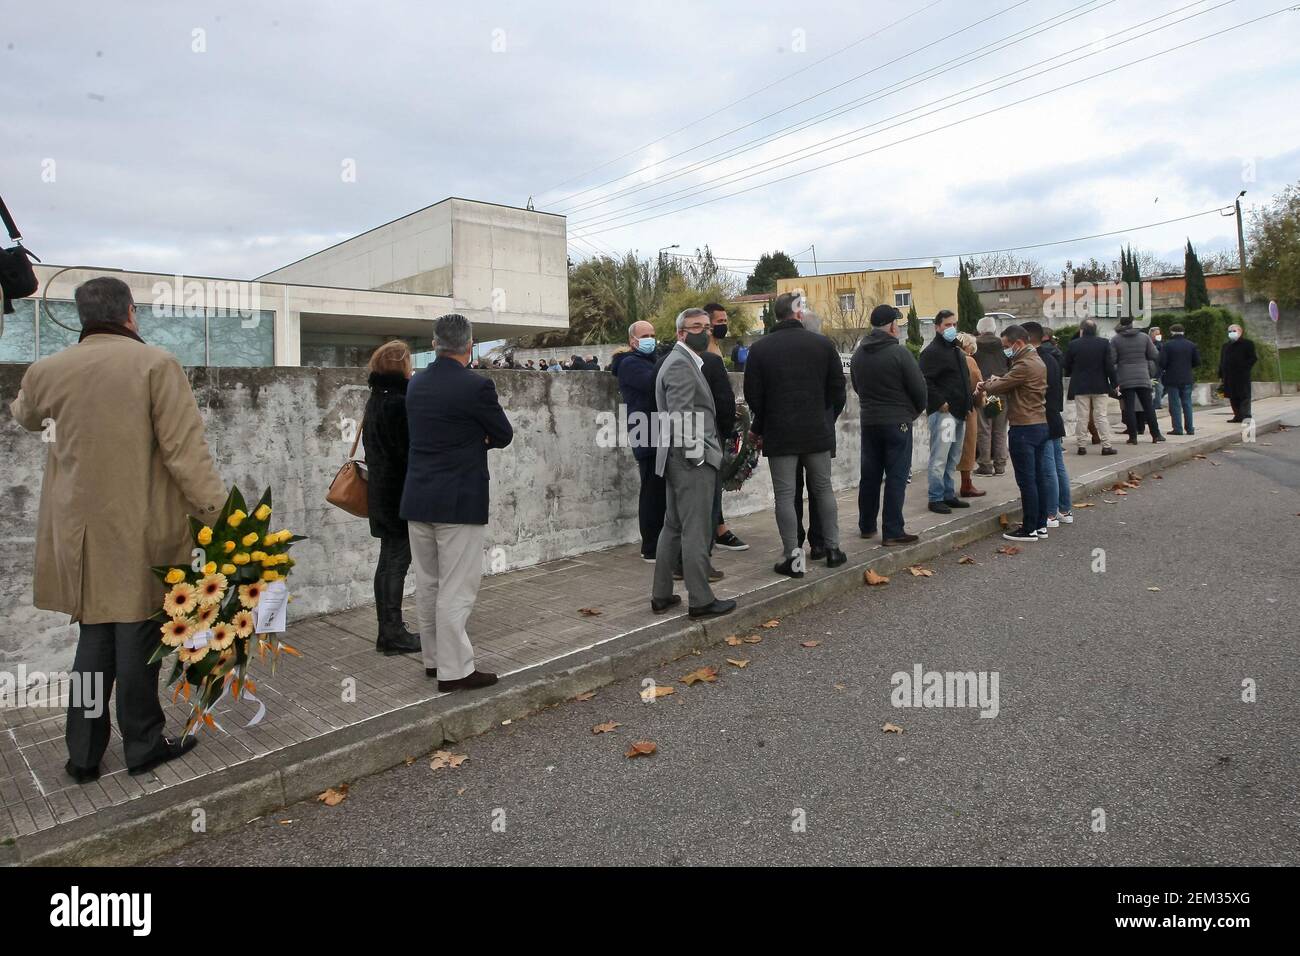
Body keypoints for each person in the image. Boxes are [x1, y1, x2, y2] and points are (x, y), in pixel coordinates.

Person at [10, 276, 225, 780]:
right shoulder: (155, 364)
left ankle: (83, 755)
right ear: (130, 313)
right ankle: (142, 746)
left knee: (93, 642)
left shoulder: (48, 369)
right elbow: (184, 454)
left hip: (78, 537)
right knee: (137, 644)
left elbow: (24, 416)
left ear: (82, 316)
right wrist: (223, 517)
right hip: (140, 531)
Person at [401, 313, 513, 692]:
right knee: (457, 587)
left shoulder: (415, 384)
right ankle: (456, 670)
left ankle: (434, 661)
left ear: (435, 343)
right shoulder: (476, 386)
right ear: (470, 344)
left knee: (429, 584)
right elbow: (503, 434)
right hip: (459, 498)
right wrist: (475, 440)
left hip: (418, 496)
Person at [743, 292, 847, 577]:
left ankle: (793, 558)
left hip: (781, 433)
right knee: (823, 489)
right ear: (798, 314)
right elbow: (838, 391)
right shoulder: (823, 345)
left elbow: (754, 396)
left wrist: (761, 426)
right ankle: (833, 550)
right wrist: (825, 417)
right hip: (817, 431)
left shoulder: (760, 349)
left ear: (775, 315)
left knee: (786, 496)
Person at [651, 309, 736, 619]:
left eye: (706, 326)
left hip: (678, 458)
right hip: (689, 460)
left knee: (673, 526)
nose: (704, 331)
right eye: (696, 326)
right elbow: (681, 415)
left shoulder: (686, 361)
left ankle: (661, 594)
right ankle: (701, 600)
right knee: (696, 530)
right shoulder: (680, 365)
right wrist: (696, 456)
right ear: (680, 333)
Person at [363, 341, 422, 656]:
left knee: (388, 562)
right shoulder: (400, 403)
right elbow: (408, 451)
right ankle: (392, 633)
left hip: (381, 493)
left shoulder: (375, 400)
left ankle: (389, 630)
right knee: (396, 562)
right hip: (399, 494)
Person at [851, 304, 927, 545]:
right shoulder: (900, 353)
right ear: (892, 326)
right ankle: (893, 530)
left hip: (869, 420)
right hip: (897, 422)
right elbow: (919, 390)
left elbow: (856, 385)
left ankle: (867, 525)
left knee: (870, 474)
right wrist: (911, 413)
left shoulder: (858, 354)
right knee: (896, 475)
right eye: (897, 323)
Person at [978, 324, 1052, 543]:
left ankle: (1029, 528)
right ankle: (1040, 524)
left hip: (1024, 427)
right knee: (1038, 478)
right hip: (1039, 424)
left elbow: (997, 387)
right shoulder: (1037, 360)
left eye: (1006, 346)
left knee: (1027, 480)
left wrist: (988, 382)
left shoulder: (1024, 364)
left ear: (1018, 343)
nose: (1005, 351)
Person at [612, 321, 667, 562]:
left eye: (653, 335)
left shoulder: (651, 361)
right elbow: (654, 384)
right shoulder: (630, 363)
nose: (651, 339)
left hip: (658, 430)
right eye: (645, 335)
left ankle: (661, 542)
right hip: (646, 431)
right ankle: (651, 547)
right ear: (633, 341)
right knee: (652, 491)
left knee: (661, 490)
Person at [918, 309, 974, 515]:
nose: (951, 328)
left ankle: (949, 494)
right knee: (940, 457)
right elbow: (924, 380)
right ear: (937, 327)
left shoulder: (956, 351)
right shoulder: (932, 352)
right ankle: (936, 497)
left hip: (959, 412)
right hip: (945, 415)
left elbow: (964, 381)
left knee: (953, 457)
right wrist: (940, 402)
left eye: (954, 324)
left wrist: (968, 404)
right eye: (947, 325)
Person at [1024, 322, 1072, 528]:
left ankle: (1050, 513)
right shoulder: (1053, 357)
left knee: (1047, 466)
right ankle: (1064, 509)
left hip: (1042, 416)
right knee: (1058, 465)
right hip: (1053, 414)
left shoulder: (1038, 360)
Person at [1063, 318, 1119, 456]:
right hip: (1100, 385)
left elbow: (1066, 364)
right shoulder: (1104, 343)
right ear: (1095, 330)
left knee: (1082, 417)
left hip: (1080, 386)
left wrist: (1072, 373)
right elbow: (1109, 366)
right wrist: (1114, 383)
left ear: (1081, 330)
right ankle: (1106, 446)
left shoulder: (1073, 345)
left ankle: (1081, 446)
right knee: (1101, 416)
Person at [1112, 316, 1164, 444]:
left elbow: (1112, 359)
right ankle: (1156, 434)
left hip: (1125, 378)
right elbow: (1154, 355)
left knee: (1129, 408)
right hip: (1143, 376)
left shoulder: (1115, 339)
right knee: (1148, 407)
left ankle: (1133, 437)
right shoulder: (1144, 337)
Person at [973, 315, 1009, 476]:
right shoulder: (1004, 345)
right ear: (994, 329)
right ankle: (1000, 465)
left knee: (984, 428)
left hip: (983, 390)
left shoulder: (974, 345)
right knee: (1000, 429)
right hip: (1001, 390)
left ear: (979, 330)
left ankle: (985, 465)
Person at [955, 332, 986, 498]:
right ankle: (966, 484)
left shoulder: (949, 358)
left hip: (949, 408)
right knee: (968, 447)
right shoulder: (969, 361)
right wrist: (982, 401)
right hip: (967, 408)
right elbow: (978, 384)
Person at [1159, 323, 1201, 434]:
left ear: (1171, 332)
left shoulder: (1167, 345)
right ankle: (1190, 428)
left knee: (1175, 404)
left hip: (1172, 378)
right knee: (1187, 403)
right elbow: (1197, 362)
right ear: (1183, 332)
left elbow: (1162, 362)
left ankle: (1177, 428)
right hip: (1187, 377)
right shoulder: (1191, 345)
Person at [1218, 323, 1257, 423]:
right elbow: (1222, 360)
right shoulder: (1226, 346)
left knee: (1244, 396)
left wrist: (1244, 368)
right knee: (1232, 396)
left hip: (1242, 375)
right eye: (1230, 331)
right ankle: (1237, 415)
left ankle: (1246, 416)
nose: (1231, 333)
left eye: (1234, 331)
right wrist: (1221, 374)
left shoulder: (1247, 343)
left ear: (1240, 331)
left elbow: (1253, 358)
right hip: (1229, 376)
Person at [1149, 326, 1165, 410]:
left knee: (1160, 389)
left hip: (1157, 370)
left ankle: (1156, 404)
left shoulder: (1160, 344)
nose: (1158, 335)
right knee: (1151, 389)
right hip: (1148, 370)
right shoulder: (1147, 342)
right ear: (1151, 334)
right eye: (1156, 334)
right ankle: (1152, 404)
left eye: (1159, 333)